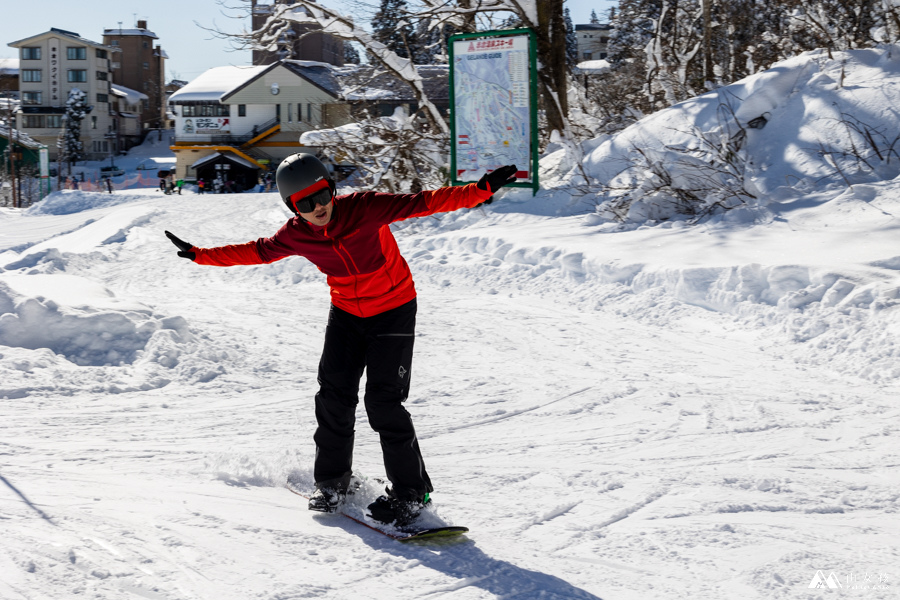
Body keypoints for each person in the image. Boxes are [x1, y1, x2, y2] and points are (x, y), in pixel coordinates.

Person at [165, 153, 518, 525]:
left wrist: (479, 191)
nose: (318, 208)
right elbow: (258, 251)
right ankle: (332, 482)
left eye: (322, 196)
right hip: (347, 314)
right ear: (292, 207)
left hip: (394, 309)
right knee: (334, 396)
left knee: (384, 404)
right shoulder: (296, 234)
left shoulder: (366, 208)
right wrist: (199, 255)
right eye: (305, 203)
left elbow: (425, 202)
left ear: (332, 189)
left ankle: (412, 494)